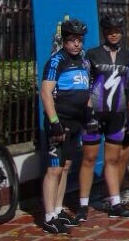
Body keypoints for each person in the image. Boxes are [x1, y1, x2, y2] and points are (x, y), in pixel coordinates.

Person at [78, 12, 129, 220]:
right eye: (110, 31)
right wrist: (88, 111)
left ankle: (115, 203)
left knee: (112, 159)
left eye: (117, 31)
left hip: (118, 114)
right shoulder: (92, 54)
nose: (114, 35)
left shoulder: (128, 55)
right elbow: (85, 84)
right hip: (94, 113)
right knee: (89, 158)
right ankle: (83, 205)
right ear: (104, 32)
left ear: (121, 33)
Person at [40, 17, 91, 234]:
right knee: (54, 168)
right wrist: (54, 123)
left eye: (79, 40)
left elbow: (86, 90)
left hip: (76, 122)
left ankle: (59, 210)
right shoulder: (56, 60)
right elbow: (45, 92)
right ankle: (49, 216)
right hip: (59, 122)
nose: (76, 44)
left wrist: (90, 114)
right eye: (71, 40)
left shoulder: (84, 60)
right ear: (64, 41)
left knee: (66, 167)